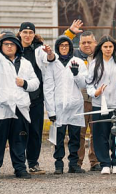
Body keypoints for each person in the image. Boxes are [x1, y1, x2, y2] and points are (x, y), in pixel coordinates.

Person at [17, 21, 79, 175]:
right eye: (25, 32)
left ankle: (33, 163)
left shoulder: (39, 49)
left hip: (36, 97)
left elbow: (52, 56)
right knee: (18, 133)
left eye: (30, 33)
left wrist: (51, 52)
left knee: (35, 132)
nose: (28, 35)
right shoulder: (14, 49)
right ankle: (18, 164)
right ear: (20, 34)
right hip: (17, 97)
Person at [0, 26, 41, 179]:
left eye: (12, 44)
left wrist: (24, 83)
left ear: (17, 46)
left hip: (19, 108)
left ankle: (20, 168)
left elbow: (35, 82)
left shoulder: (25, 63)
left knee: (19, 141)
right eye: (6, 44)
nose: (9, 46)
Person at [44, 36, 88, 175]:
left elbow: (84, 84)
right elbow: (48, 88)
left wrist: (76, 75)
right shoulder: (52, 64)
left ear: (70, 47)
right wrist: (51, 110)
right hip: (59, 107)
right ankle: (58, 164)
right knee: (59, 137)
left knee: (75, 137)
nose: (64, 48)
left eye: (66, 45)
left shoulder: (78, 62)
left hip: (75, 106)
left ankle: (74, 164)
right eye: (61, 45)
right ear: (57, 48)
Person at [86, 36, 116, 175]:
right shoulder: (94, 63)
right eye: (105, 47)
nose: (108, 49)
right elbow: (89, 84)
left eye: (110, 47)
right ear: (101, 48)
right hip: (99, 105)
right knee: (99, 135)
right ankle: (104, 163)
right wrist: (95, 93)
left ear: (114, 47)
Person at [74, 30, 101, 171]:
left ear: (95, 43)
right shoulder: (75, 57)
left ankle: (95, 161)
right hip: (81, 100)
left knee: (96, 131)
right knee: (80, 132)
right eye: (83, 42)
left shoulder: (100, 57)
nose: (86, 45)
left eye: (89, 42)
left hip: (97, 99)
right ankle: (77, 162)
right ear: (79, 44)